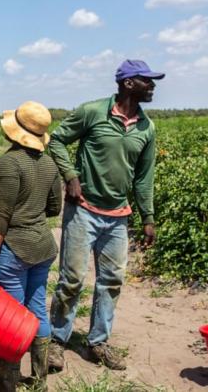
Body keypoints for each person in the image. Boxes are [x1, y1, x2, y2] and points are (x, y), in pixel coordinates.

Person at [47, 59, 163, 371]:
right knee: (71, 280)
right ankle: (56, 341)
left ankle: (98, 342)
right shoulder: (92, 112)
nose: (153, 86)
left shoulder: (146, 128)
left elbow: (143, 178)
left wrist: (148, 217)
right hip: (83, 210)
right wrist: (70, 176)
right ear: (128, 83)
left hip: (117, 217)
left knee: (111, 281)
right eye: (147, 81)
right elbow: (56, 140)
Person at [0, 101, 62, 391]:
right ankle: (39, 381)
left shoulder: (9, 163)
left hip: (15, 249)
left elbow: (0, 217)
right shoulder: (50, 164)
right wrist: (33, 208)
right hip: (42, 247)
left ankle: (7, 385)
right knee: (37, 309)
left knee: (11, 320)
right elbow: (54, 207)